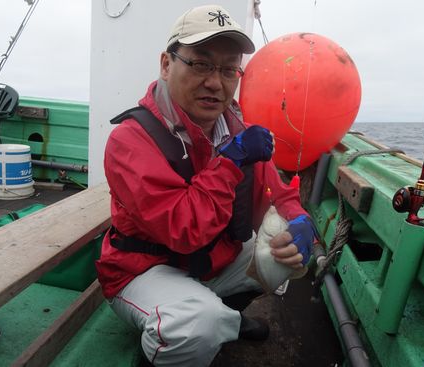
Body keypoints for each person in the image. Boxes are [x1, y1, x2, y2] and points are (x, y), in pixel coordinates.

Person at [96, 4, 316, 367]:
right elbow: (184, 229)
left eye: (229, 69)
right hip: (143, 269)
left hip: (208, 262)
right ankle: (202, 326)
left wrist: (296, 221)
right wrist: (229, 162)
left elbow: (275, 195)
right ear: (167, 65)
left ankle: (220, 314)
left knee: (279, 254)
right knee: (197, 326)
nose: (216, 82)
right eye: (201, 64)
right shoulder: (130, 141)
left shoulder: (235, 131)